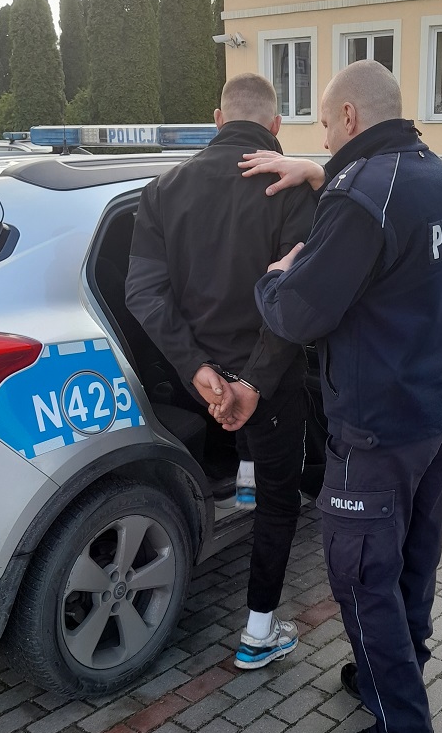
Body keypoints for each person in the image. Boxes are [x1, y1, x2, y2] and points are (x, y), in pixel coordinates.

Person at [245, 59, 442, 733]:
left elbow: (298, 313)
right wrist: (322, 177)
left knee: (361, 578)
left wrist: (276, 276)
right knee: (411, 564)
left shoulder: (359, 198)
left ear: (348, 117)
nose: (323, 137)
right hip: (436, 414)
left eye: (324, 124)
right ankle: (392, 670)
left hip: (376, 428)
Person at [126, 73, 315, 669]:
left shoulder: (163, 188)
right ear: (275, 125)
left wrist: (197, 369)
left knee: (243, 443)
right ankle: (259, 632)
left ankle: (244, 481)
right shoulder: (288, 185)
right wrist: (253, 380)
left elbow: (143, 292)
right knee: (281, 504)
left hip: (200, 379)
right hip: (271, 377)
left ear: (217, 118)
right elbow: (298, 296)